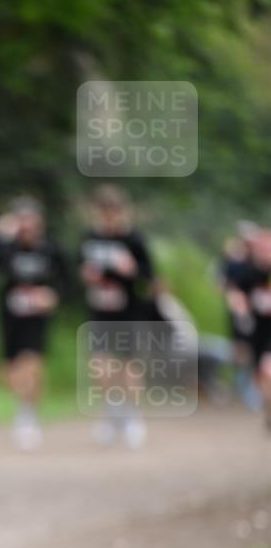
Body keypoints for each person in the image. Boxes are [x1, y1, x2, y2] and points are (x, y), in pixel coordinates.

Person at [0, 196, 68, 449]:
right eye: (22, 219)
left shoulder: (51, 249)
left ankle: (28, 416)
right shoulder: (8, 247)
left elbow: (67, 280)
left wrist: (53, 296)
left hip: (37, 319)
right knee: (9, 373)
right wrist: (0, 235)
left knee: (32, 365)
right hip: (10, 317)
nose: (27, 225)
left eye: (31, 219)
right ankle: (24, 407)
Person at [78, 185, 159, 449]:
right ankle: (113, 415)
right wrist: (86, 275)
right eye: (104, 212)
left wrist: (132, 270)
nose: (108, 218)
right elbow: (78, 269)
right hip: (100, 314)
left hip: (130, 314)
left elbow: (149, 277)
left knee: (129, 369)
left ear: (122, 212)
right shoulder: (89, 238)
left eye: (113, 212)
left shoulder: (133, 240)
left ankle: (133, 419)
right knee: (101, 368)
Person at [223, 224, 271, 429]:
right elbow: (233, 292)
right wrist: (240, 308)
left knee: (268, 368)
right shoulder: (247, 272)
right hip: (257, 330)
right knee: (260, 372)